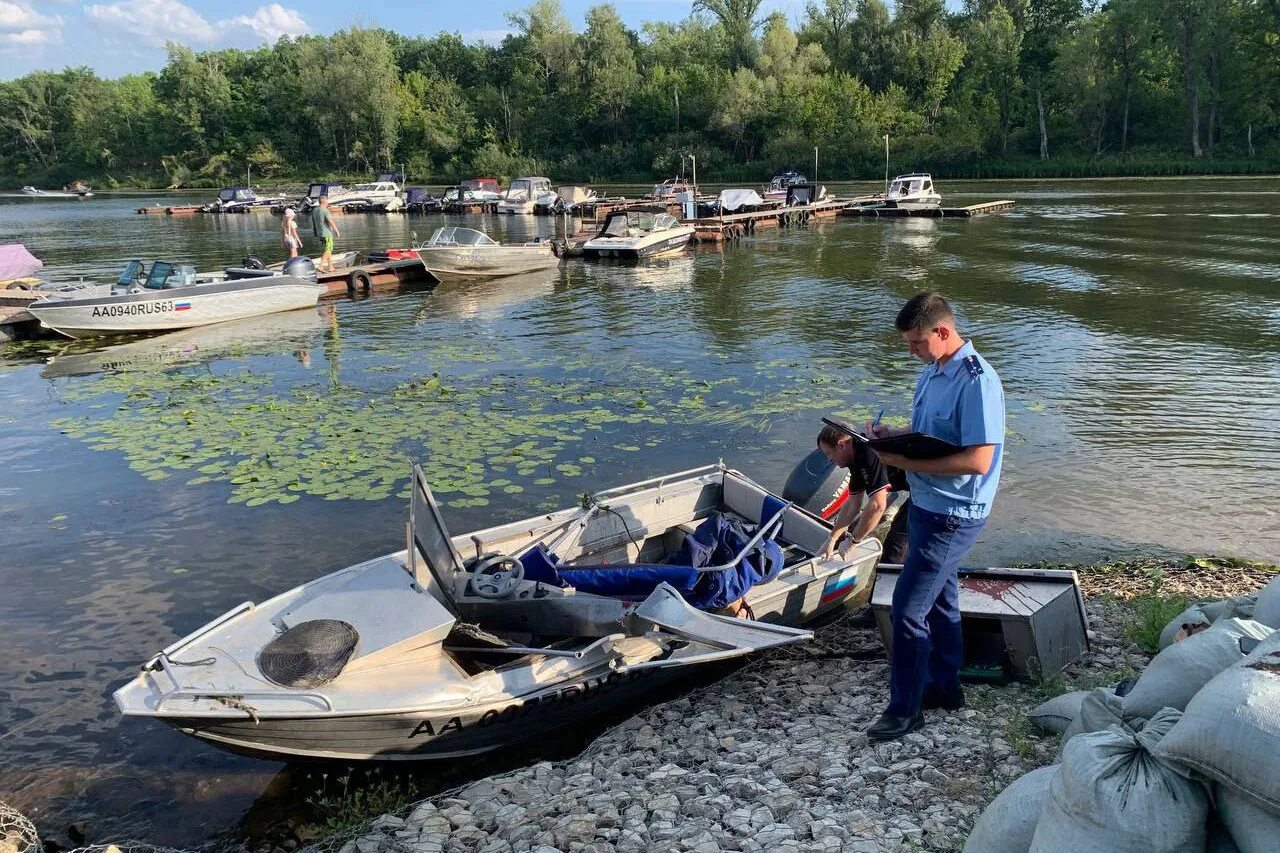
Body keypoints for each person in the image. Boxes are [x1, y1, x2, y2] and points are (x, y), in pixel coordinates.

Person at [863, 292, 1005, 741]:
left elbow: (978, 460)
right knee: (942, 601)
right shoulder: (934, 371)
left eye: (916, 342)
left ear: (943, 332)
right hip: (926, 503)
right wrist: (893, 436)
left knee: (908, 608)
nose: (911, 351)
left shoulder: (977, 381)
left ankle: (905, 709)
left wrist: (904, 463)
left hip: (955, 512)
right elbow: (931, 434)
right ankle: (945, 688)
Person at [815, 419, 910, 562]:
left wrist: (853, 541)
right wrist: (832, 538)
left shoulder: (868, 452)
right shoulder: (855, 455)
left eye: (829, 453)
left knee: (895, 547)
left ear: (841, 445)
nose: (829, 459)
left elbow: (877, 506)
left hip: (932, 488)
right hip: (917, 487)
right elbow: (853, 503)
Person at [310, 197, 340, 272]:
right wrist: (336, 230)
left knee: (328, 249)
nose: (327, 202)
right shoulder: (324, 210)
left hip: (319, 233)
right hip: (326, 233)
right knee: (328, 249)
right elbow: (330, 221)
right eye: (327, 200)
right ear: (323, 201)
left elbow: (313, 222)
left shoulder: (315, 210)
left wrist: (316, 232)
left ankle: (330, 267)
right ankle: (321, 265)